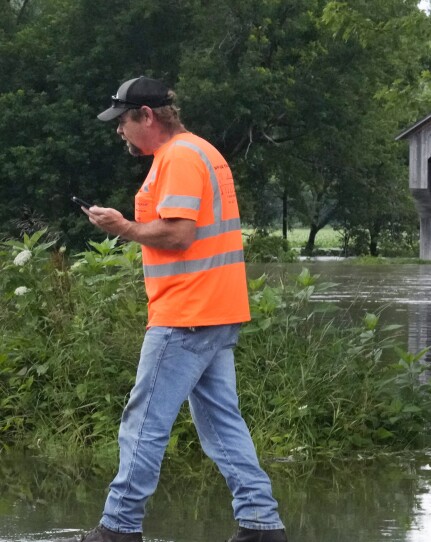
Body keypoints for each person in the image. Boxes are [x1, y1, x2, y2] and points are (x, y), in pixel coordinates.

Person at [60, 76, 287, 542]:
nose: (119, 131)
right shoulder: (202, 150)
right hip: (216, 308)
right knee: (222, 423)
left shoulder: (179, 157)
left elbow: (179, 235)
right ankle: (262, 524)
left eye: (123, 121)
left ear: (147, 116)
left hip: (186, 312)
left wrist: (122, 227)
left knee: (143, 422)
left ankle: (119, 528)